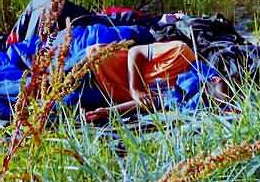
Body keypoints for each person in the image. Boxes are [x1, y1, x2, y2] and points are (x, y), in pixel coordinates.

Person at [80, 40, 228, 122]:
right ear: (213, 79)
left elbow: (151, 102)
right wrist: (135, 88)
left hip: (101, 94)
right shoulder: (180, 52)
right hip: (92, 65)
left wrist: (108, 112)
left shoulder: (183, 92)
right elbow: (135, 51)